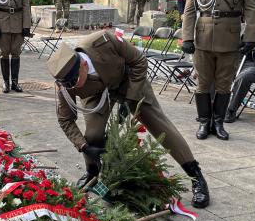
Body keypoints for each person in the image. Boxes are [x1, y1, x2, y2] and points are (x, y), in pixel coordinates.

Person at [46, 30, 211, 208]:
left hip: (130, 81)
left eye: (74, 81)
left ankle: (196, 176)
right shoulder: (65, 84)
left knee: (160, 126)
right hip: (96, 94)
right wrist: (84, 146)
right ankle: (92, 173)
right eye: (67, 84)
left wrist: (131, 99)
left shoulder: (104, 41)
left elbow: (139, 61)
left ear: (83, 64)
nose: (72, 87)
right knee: (93, 134)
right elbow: (65, 120)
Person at [181, 0, 255, 141]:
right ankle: (204, 122)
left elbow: (251, 10)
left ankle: (219, 122)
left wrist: (250, 37)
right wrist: (187, 37)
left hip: (230, 39)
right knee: (202, 84)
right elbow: (189, 11)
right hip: (203, 39)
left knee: (225, 84)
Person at [224, 9, 255, 122]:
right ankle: (212, 106)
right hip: (235, 61)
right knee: (213, 68)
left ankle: (231, 110)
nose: (254, 23)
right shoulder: (238, 30)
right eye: (251, 20)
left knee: (245, 76)